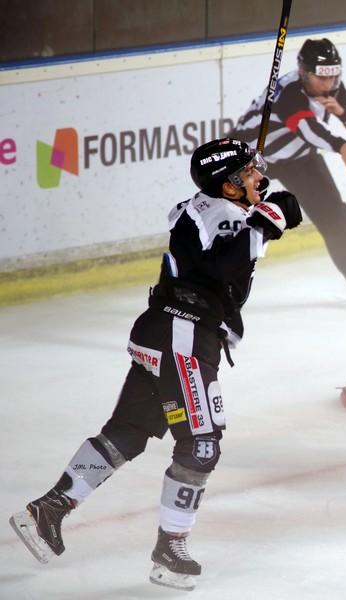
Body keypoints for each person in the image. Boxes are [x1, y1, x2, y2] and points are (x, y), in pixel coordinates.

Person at [10, 137, 302, 591]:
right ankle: (171, 548)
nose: (259, 177)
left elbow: (276, 216)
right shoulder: (225, 216)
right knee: (200, 445)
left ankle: (47, 510)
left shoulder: (205, 208)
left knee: (128, 431)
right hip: (184, 336)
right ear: (228, 186)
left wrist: (269, 212)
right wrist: (265, 220)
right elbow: (226, 265)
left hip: (161, 330)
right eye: (248, 173)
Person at [233, 38, 346, 302]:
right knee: (227, 219)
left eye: (333, 77)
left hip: (298, 158)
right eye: (322, 78)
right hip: (252, 159)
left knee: (333, 212)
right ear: (303, 72)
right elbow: (307, 129)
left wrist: (342, 112)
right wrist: (341, 145)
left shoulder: (333, 87)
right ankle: (200, 281)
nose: (328, 84)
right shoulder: (288, 92)